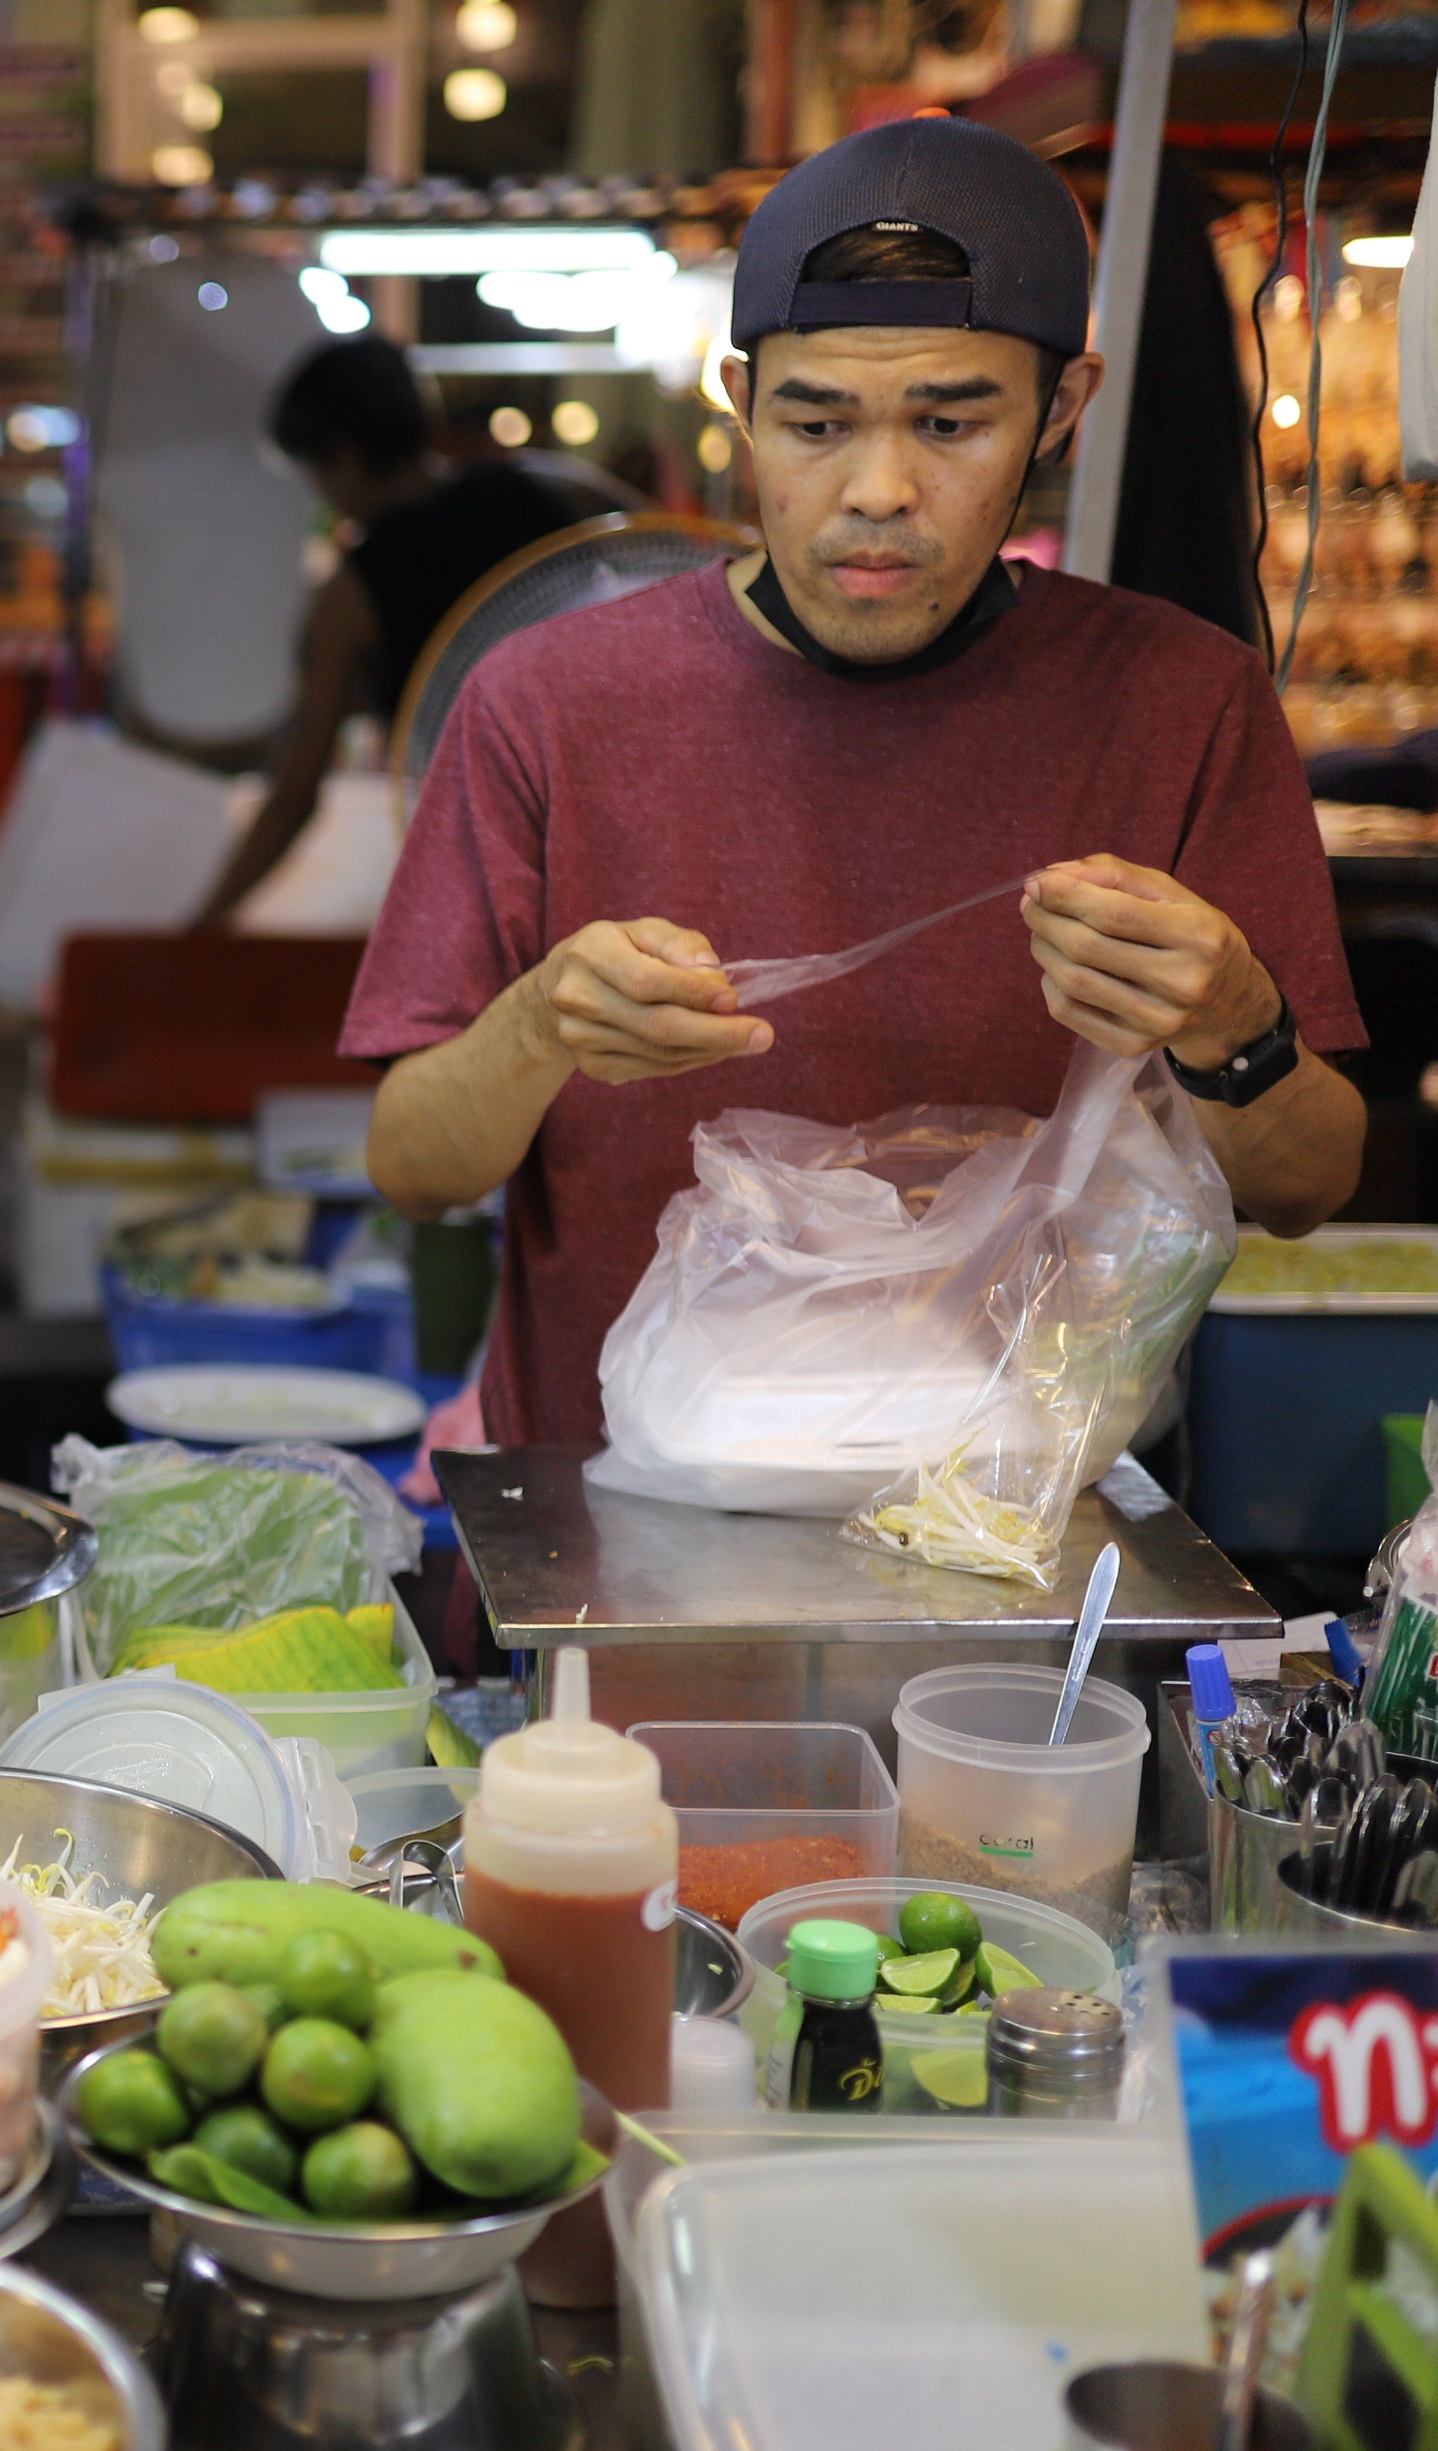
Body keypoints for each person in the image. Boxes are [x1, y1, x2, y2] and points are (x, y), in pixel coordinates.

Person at [347, 116, 1366, 1452]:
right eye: (815, 422)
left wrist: (1235, 1021)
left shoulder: (1183, 701)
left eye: (950, 422)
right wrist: (538, 1026)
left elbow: (1306, 1185)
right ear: (739, 402)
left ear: (1061, 408)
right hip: (611, 1532)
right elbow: (412, 1168)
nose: (877, 489)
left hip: (1009, 1529)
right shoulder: (549, 700)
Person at [185, 339, 582, 928]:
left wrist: (198, 926)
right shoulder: (541, 493)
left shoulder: (351, 596)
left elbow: (296, 794)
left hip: (489, 866)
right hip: (601, 818)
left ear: (342, 459)